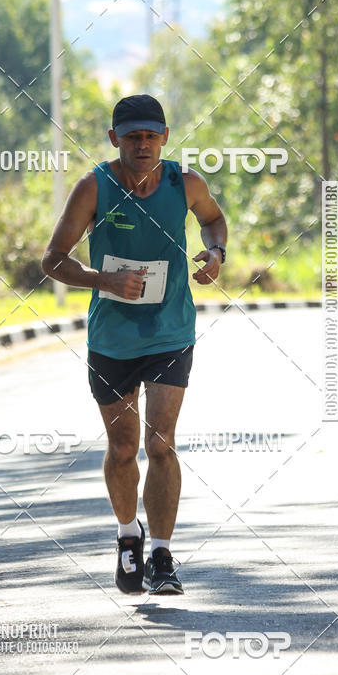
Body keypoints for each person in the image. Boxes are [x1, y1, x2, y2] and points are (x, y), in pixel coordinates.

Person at [42, 94, 227, 595]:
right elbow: (53, 260)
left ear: (164, 137)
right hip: (113, 337)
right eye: (132, 137)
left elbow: (214, 219)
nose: (143, 145)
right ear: (114, 140)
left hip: (171, 330)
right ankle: (129, 537)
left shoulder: (184, 182)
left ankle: (163, 554)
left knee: (161, 441)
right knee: (123, 448)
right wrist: (103, 280)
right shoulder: (92, 188)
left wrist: (215, 253)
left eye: (151, 135)